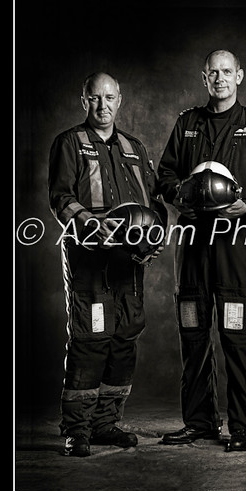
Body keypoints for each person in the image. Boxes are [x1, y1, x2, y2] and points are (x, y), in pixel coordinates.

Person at [158, 50, 246, 452]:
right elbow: (166, 176)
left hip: (236, 246)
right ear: (204, 76)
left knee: (237, 337)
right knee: (193, 334)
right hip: (192, 247)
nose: (220, 78)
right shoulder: (187, 122)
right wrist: (183, 195)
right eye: (213, 71)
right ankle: (199, 423)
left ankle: (243, 428)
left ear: (240, 75)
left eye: (227, 71)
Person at [48, 72, 167, 457]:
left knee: (124, 338)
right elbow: (60, 197)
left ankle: (106, 423)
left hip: (129, 265)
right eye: (95, 98)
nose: (103, 105)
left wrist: (157, 234)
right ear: (85, 101)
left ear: (120, 99)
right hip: (90, 262)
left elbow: (155, 201)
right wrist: (89, 221)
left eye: (110, 97)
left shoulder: (135, 147)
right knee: (89, 340)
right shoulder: (69, 143)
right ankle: (77, 429)